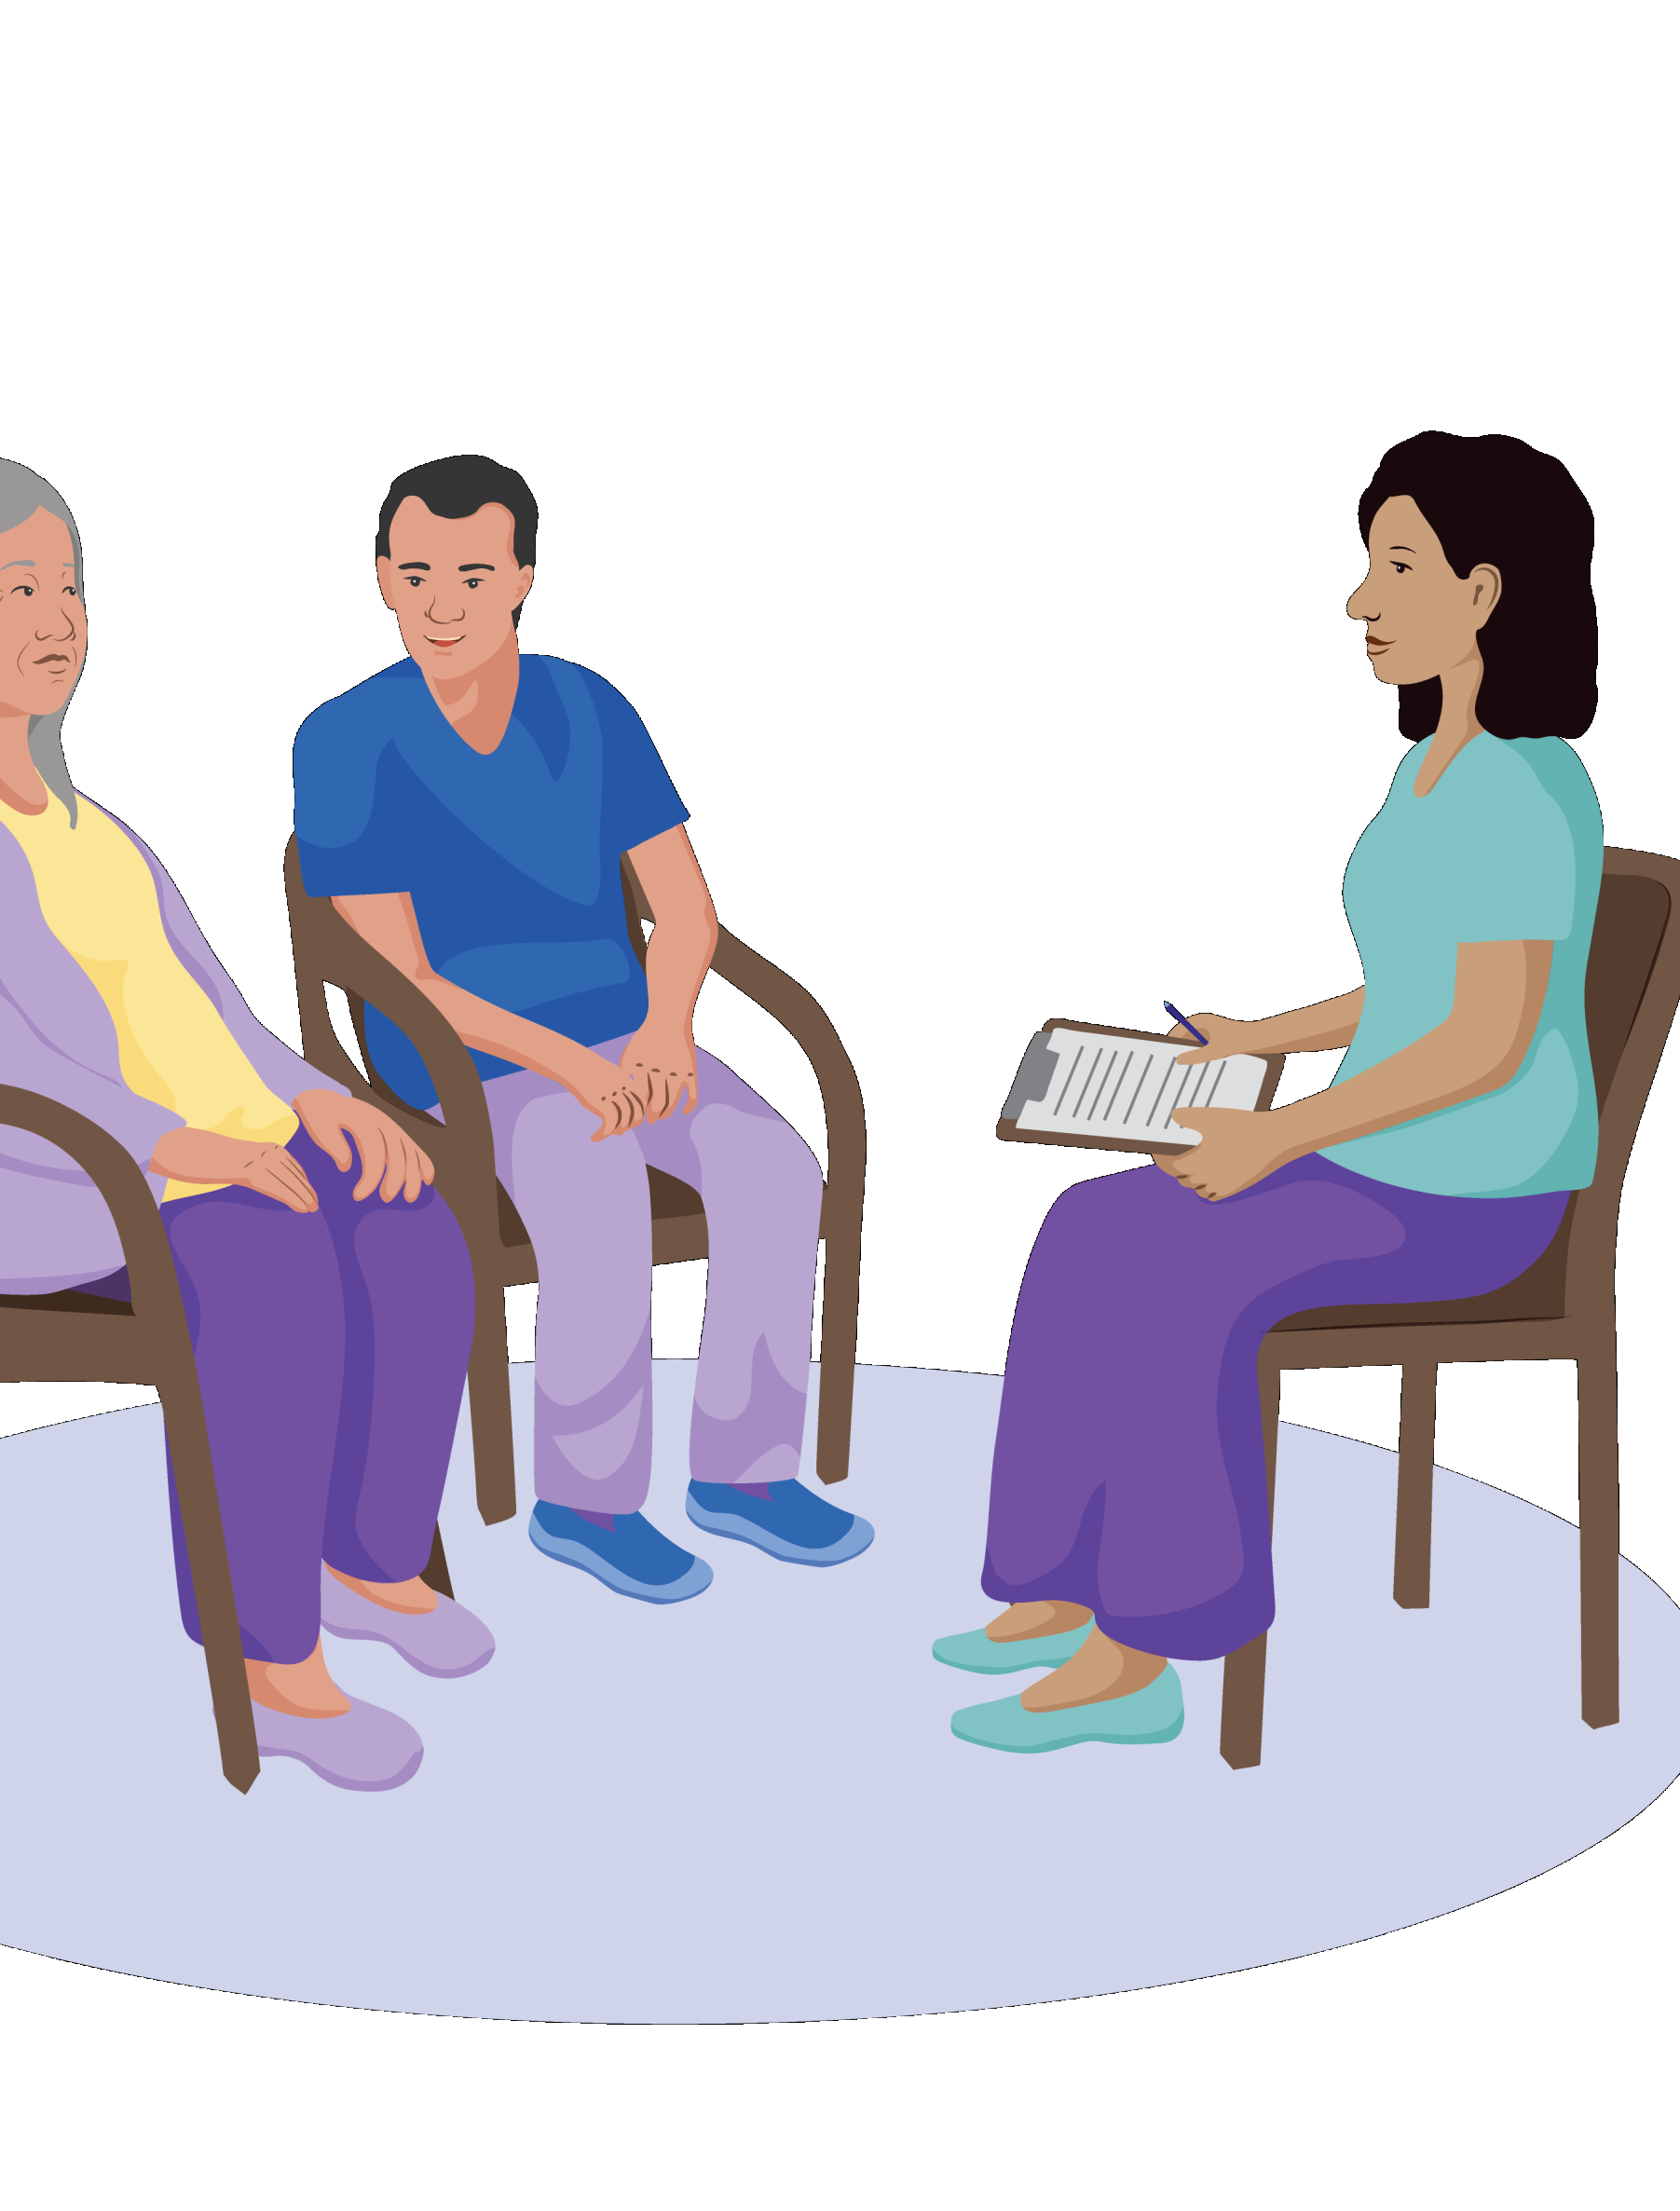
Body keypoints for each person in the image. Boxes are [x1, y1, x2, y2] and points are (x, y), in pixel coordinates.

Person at [0, 457, 485, 1791]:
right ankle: (268, 1663)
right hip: (8, 1177)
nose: (59, 618)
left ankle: (362, 1555)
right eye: (18, 588)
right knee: (271, 1260)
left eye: (68, 587)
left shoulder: (93, 828)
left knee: (412, 1219)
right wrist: (176, 1148)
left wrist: (325, 1104)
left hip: (185, 1151)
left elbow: (220, 1017)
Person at [934, 431, 1604, 1752]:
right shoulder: (1426, 775)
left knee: (1187, 1268)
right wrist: (1271, 1032)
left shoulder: (1526, 788)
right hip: (1377, 1156)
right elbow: (1408, 988)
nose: (1362, 600)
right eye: (1366, 567)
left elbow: (1482, 1042)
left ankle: (1153, 1652)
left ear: (1484, 592)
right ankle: (1059, 1580)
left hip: (1474, 1191)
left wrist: (1276, 1135)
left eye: (1398, 566)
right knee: (1090, 1226)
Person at [293, 456, 872, 1604]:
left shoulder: (590, 707)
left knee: (776, 1171)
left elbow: (687, 906)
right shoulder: (345, 739)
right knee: (594, 1183)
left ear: (520, 578)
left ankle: (744, 1477)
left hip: (631, 1035)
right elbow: (397, 976)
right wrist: (561, 1065)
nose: (442, 602)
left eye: (470, 573)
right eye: (415, 575)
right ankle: (589, 1499)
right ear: (381, 583)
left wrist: (663, 1028)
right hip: (459, 1061)